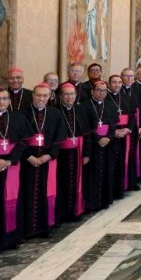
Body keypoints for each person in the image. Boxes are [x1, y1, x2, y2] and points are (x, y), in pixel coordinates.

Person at [0, 86, 29, 250]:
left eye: (4, 99)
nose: (1, 102)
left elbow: (23, 141)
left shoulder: (17, 117)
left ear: (9, 101)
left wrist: (9, 161)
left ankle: (11, 238)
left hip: (12, 166)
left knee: (12, 199)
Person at [19, 84, 65, 239]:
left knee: (47, 192)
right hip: (27, 161)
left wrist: (49, 156)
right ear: (33, 95)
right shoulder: (22, 113)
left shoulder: (55, 113)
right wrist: (29, 157)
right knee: (26, 193)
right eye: (38, 95)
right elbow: (17, 139)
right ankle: (27, 229)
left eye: (45, 96)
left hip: (47, 160)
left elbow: (59, 138)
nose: (41, 99)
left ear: (50, 97)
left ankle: (45, 227)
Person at [55, 83, 90, 224]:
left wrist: (86, 153)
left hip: (78, 152)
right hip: (60, 155)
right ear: (61, 96)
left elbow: (88, 134)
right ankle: (61, 213)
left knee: (77, 182)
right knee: (61, 183)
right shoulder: (55, 111)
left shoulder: (81, 110)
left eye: (72, 94)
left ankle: (76, 210)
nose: (70, 97)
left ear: (76, 95)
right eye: (66, 94)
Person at [81, 81, 117, 212]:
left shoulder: (110, 105)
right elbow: (86, 127)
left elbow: (113, 126)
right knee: (92, 173)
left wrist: (108, 137)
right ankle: (92, 203)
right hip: (92, 145)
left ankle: (105, 200)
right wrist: (98, 139)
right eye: (99, 90)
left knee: (107, 170)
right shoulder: (84, 106)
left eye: (104, 91)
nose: (101, 93)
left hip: (108, 144)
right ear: (92, 91)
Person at [107, 75, 136, 195]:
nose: (117, 85)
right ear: (109, 84)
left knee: (123, 161)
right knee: (112, 162)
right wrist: (114, 133)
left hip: (125, 135)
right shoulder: (105, 99)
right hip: (111, 135)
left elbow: (133, 116)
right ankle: (111, 190)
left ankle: (122, 188)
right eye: (114, 82)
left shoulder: (126, 97)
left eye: (119, 82)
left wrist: (128, 129)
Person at [120, 68, 141, 186]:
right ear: (121, 77)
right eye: (126, 76)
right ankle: (122, 182)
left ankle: (132, 181)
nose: (129, 78)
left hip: (134, 126)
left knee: (133, 153)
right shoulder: (118, 91)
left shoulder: (137, 90)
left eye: (131, 76)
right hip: (122, 127)